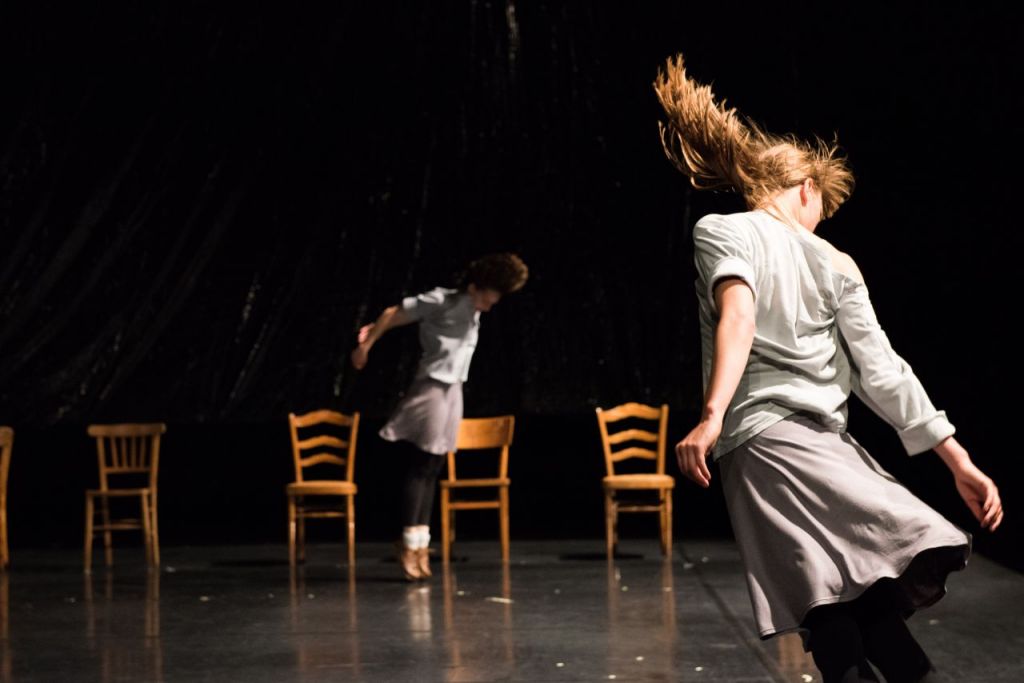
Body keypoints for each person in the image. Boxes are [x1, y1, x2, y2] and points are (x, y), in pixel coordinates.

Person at [653, 55, 1003, 683]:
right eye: (821, 207)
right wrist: (960, 461)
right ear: (806, 188)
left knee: (833, 602)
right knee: (853, 604)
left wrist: (709, 420)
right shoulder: (835, 260)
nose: (821, 222)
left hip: (765, 443)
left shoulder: (721, 231)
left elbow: (739, 316)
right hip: (815, 442)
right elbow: (884, 373)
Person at [351, 253, 528, 580]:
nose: (488, 307)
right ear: (474, 287)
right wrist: (368, 342)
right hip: (432, 387)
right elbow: (394, 313)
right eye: (487, 299)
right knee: (421, 466)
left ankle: (420, 544)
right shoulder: (442, 300)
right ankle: (408, 545)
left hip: (453, 392)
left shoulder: (474, 310)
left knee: (433, 467)